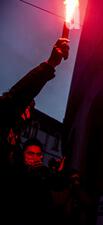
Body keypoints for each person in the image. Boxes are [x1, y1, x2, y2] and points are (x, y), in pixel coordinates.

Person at [0, 38, 70, 168]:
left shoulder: (15, 141)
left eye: (29, 110)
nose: (26, 113)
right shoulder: (4, 114)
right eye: (25, 107)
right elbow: (17, 96)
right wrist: (50, 65)